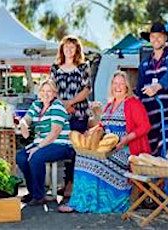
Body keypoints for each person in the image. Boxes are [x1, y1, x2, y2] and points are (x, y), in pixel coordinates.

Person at [58, 71, 151, 213]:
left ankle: (96, 201)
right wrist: (92, 131)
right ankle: (80, 201)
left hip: (125, 150)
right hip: (106, 147)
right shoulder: (109, 104)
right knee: (82, 156)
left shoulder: (133, 103)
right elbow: (103, 125)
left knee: (94, 161)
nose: (118, 86)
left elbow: (145, 126)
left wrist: (125, 139)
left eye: (121, 83)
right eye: (115, 83)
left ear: (127, 86)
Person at [16, 79, 74, 206]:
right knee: (20, 157)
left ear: (54, 93)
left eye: (49, 91)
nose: (45, 94)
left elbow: (54, 134)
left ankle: (39, 195)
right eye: (43, 91)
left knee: (36, 157)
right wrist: (23, 124)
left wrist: (37, 148)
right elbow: (26, 119)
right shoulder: (37, 105)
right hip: (42, 143)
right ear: (39, 92)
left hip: (61, 144)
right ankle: (33, 192)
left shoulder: (57, 107)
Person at [50, 35, 91, 197]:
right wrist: (62, 105)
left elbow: (87, 89)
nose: (69, 49)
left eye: (72, 47)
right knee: (63, 147)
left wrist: (70, 103)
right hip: (60, 115)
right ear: (62, 48)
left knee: (76, 149)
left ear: (77, 50)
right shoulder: (55, 67)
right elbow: (51, 88)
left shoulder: (83, 66)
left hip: (79, 113)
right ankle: (64, 182)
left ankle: (72, 183)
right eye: (66, 46)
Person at [137, 22, 168, 156]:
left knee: (166, 143)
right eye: (153, 36)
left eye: (160, 36)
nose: (156, 39)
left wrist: (158, 86)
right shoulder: (144, 63)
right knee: (151, 149)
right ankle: (156, 176)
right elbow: (140, 88)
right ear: (150, 39)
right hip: (149, 112)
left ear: (165, 38)